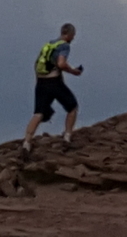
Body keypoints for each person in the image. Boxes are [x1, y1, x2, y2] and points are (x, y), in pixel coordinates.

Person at [23, 23, 83, 159]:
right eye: (73, 35)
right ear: (69, 35)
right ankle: (67, 137)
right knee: (72, 107)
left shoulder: (49, 44)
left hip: (40, 82)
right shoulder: (64, 46)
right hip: (53, 82)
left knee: (38, 113)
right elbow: (61, 64)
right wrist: (73, 71)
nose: (73, 38)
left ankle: (26, 143)